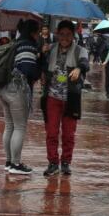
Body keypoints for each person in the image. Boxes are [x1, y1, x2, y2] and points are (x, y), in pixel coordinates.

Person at [42, 20, 90, 177]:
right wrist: (41, 52)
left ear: (73, 35)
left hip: (71, 99)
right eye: (62, 34)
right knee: (51, 132)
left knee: (69, 134)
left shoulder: (80, 51)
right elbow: (41, 64)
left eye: (68, 35)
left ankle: (66, 163)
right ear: (57, 34)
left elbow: (85, 63)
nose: (65, 38)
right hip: (52, 98)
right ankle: (53, 163)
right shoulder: (51, 49)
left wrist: (78, 68)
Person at [0, 20, 42, 175]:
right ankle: (16, 164)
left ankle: (9, 162)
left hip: (4, 89)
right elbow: (29, 71)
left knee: (9, 126)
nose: (38, 35)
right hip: (18, 90)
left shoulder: (15, 44)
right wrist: (41, 58)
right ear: (32, 32)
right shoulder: (28, 46)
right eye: (37, 32)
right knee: (19, 127)